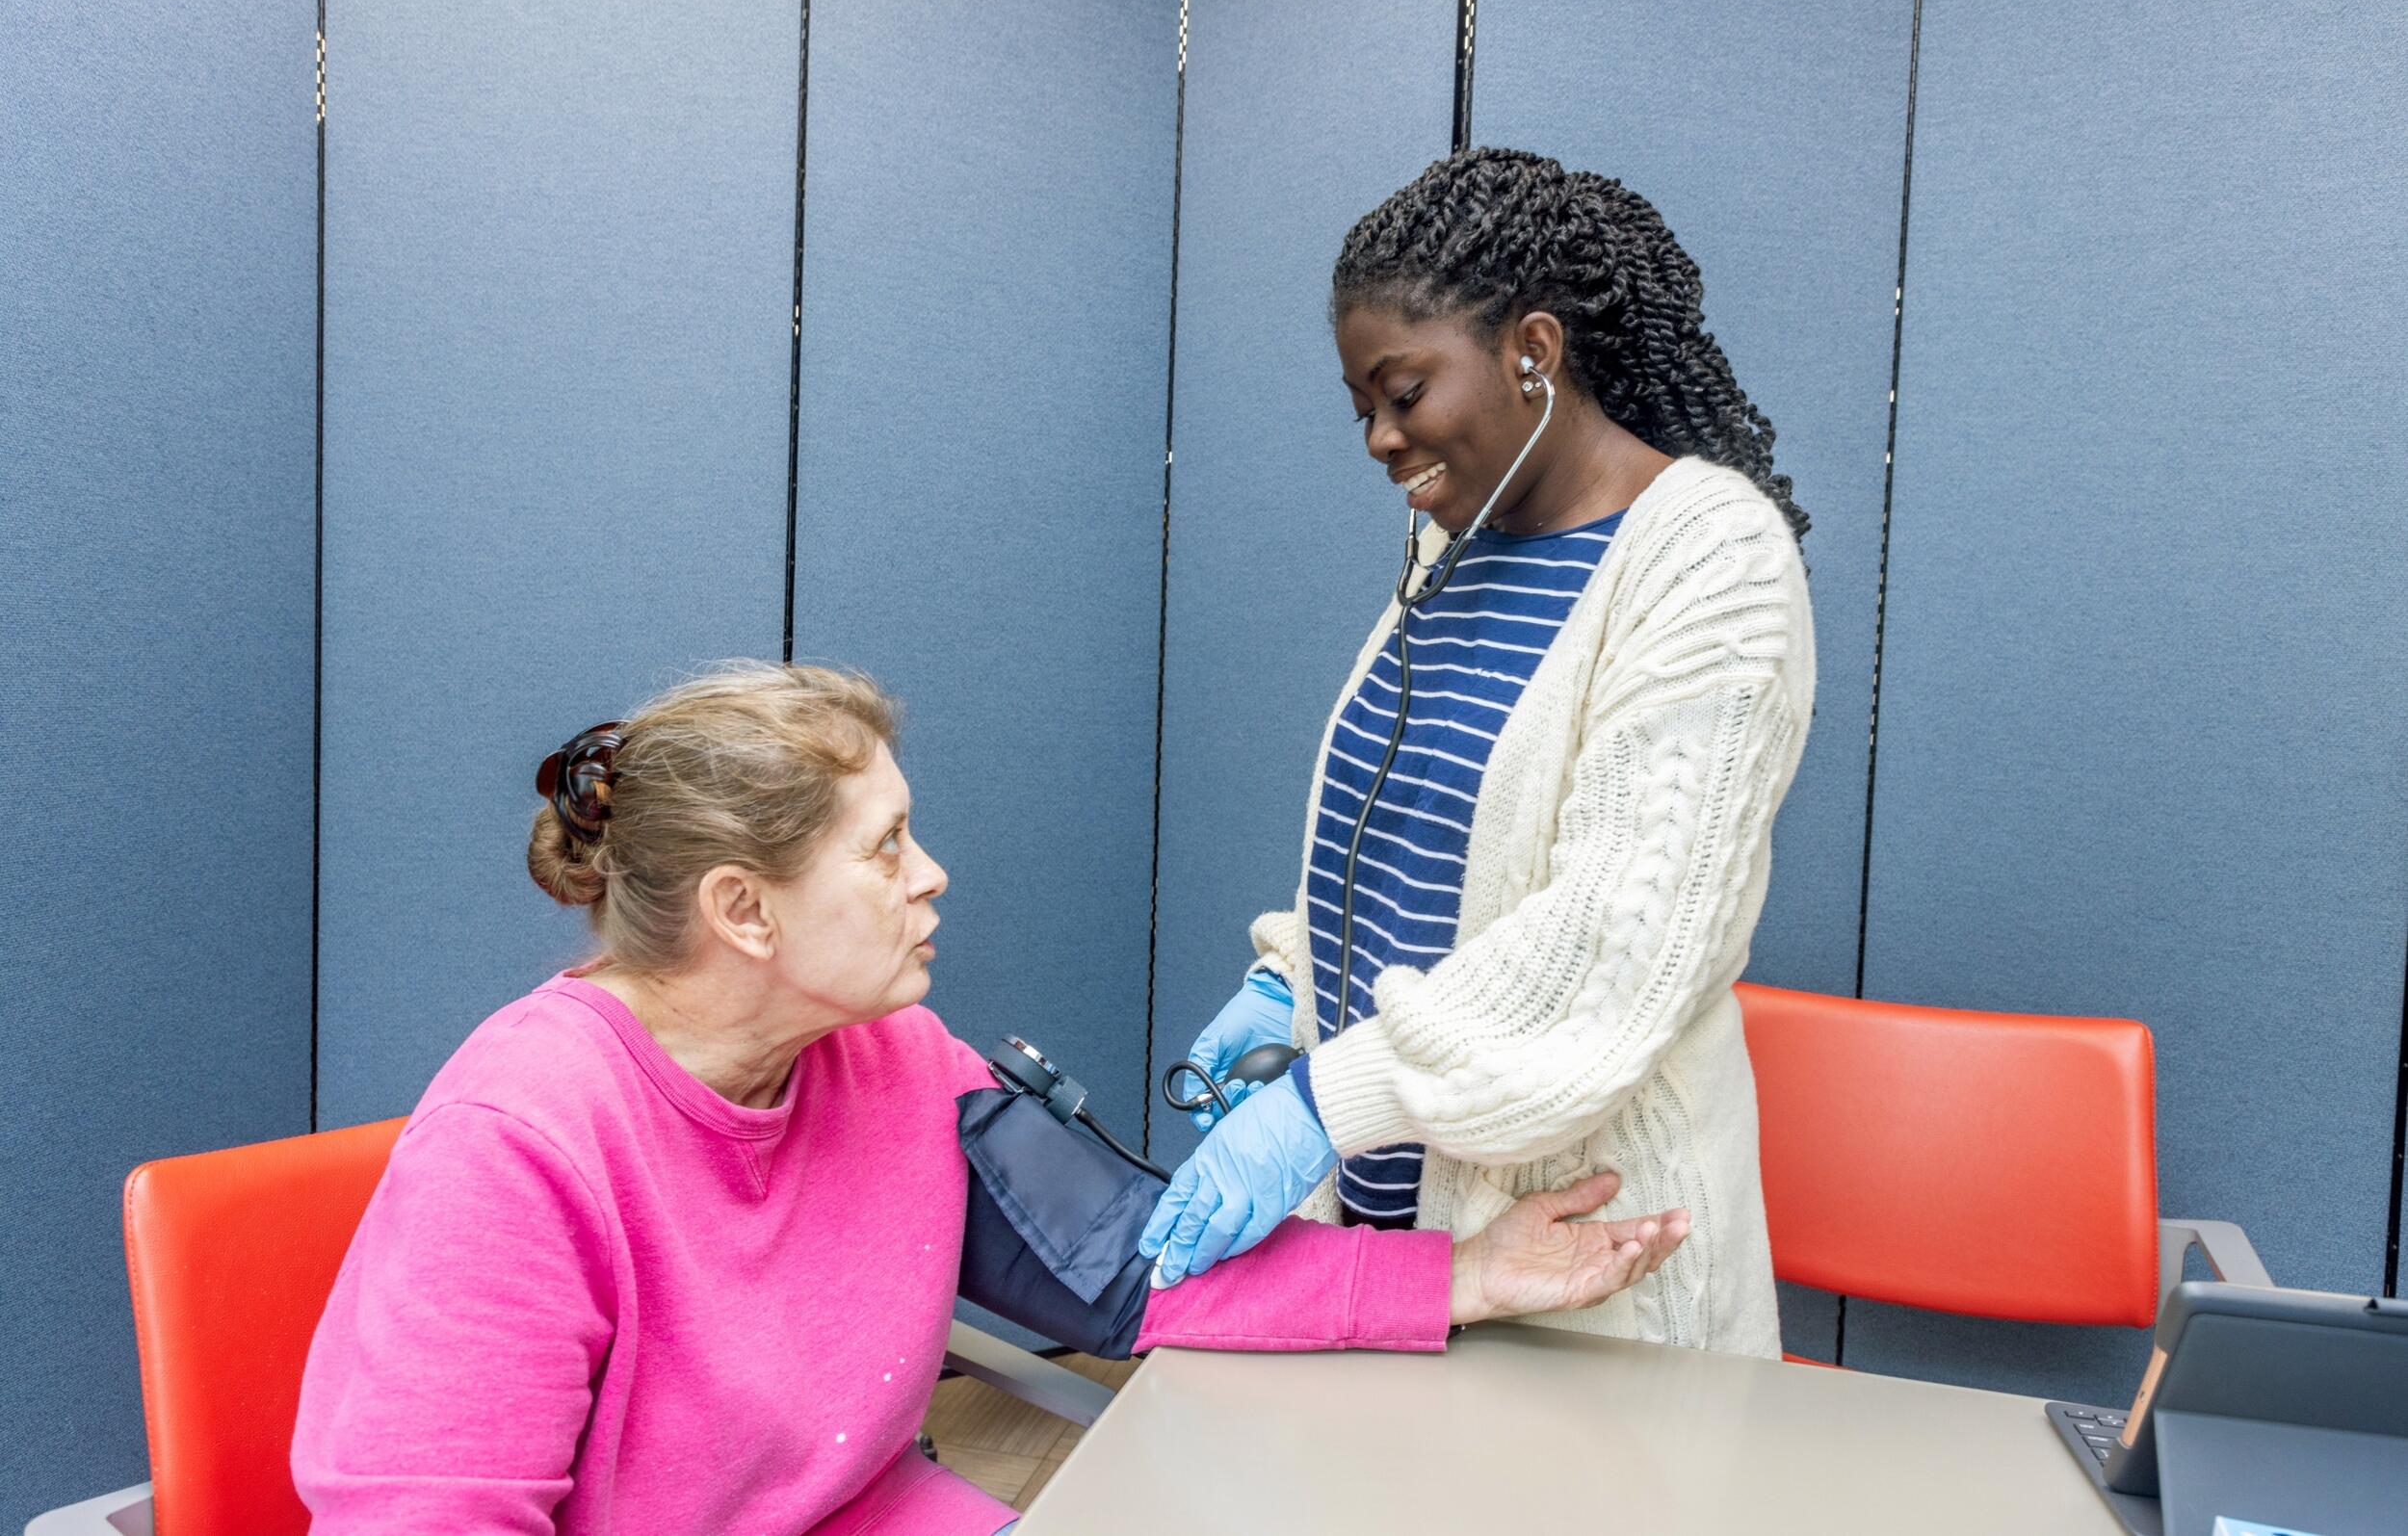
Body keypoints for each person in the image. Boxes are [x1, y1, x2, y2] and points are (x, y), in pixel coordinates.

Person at [291, 661, 1691, 1535]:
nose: (931, 875)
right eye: (885, 847)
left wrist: (1468, 1278)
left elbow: (1132, 1274)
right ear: (745, 911)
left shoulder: (892, 1065)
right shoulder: (521, 1149)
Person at [1142, 148, 1814, 1361]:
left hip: (1591, 1261)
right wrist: (1287, 984)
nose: (1380, 439)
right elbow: (1406, 844)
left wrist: (1315, 1104)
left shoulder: (1710, 557)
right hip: (1394, 1241)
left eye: (1403, 392)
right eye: (1363, 408)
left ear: (1534, 353)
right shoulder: (1454, 551)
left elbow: (1615, 938)